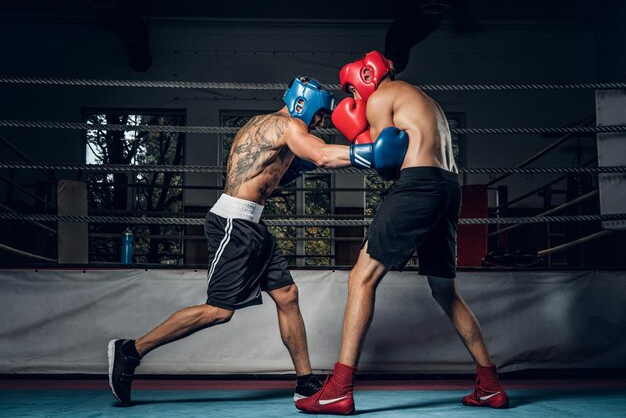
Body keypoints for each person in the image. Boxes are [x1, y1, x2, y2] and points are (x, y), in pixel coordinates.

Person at [107, 75, 407, 406]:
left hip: (253, 225)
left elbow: (266, 174)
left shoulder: (264, 126)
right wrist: (370, 154)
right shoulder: (289, 126)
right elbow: (321, 156)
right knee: (219, 311)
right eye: (319, 115)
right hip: (234, 223)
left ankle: (306, 381)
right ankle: (131, 351)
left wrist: (294, 166)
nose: (320, 123)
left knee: (288, 295)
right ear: (302, 104)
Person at [296, 51, 509, 415]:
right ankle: (490, 385)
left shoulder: (380, 98)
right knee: (445, 290)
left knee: (361, 279)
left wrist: (360, 135)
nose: (356, 100)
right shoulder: (426, 102)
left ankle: (338, 389)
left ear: (364, 78)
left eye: (353, 92)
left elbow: (387, 163)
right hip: (449, 187)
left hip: (418, 185)